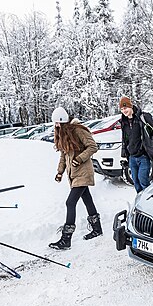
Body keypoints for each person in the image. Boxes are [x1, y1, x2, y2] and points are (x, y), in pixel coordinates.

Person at [49, 107, 101, 250]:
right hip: (73, 174)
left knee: (70, 203)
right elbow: (63, 155)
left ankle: (66, 239)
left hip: (83, 172)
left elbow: (92, 146)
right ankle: (97, 229)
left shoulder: (78, 130)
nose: (57, 126)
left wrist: (79, 158)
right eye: (55, 124)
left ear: (64, 122)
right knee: (87, 199)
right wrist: (60, 172)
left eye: (58, 123)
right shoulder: (64, 134)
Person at [119, 96, 153, 193]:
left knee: (144, 182)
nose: (124, 111)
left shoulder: (143, 117)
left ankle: (148, 204)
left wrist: (152, 142)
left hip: (143, 156)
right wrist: (125, 154)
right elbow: (125, 139)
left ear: (131, 106)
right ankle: (140, 204)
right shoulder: (124, 122)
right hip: (132, 158)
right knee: (136, 183)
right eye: (122, 109)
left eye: (125, 108)